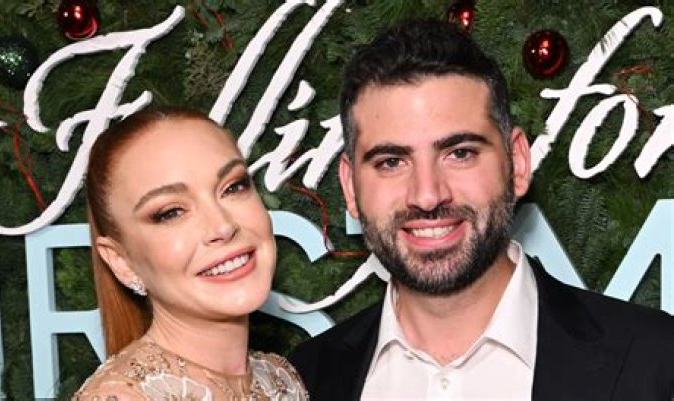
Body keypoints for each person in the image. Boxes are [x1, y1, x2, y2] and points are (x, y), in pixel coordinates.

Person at [288, 18, 674, 401]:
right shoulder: (305, 381)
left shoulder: (656, 361)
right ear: (350, 186)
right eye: (391, 162)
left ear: (517, 163)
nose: (427, 195)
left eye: (460, 153)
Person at [74, 108, 307, 400]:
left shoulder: (279, 377)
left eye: (233, 187)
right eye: (171, 212)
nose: (223, 226)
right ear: (120, 261)